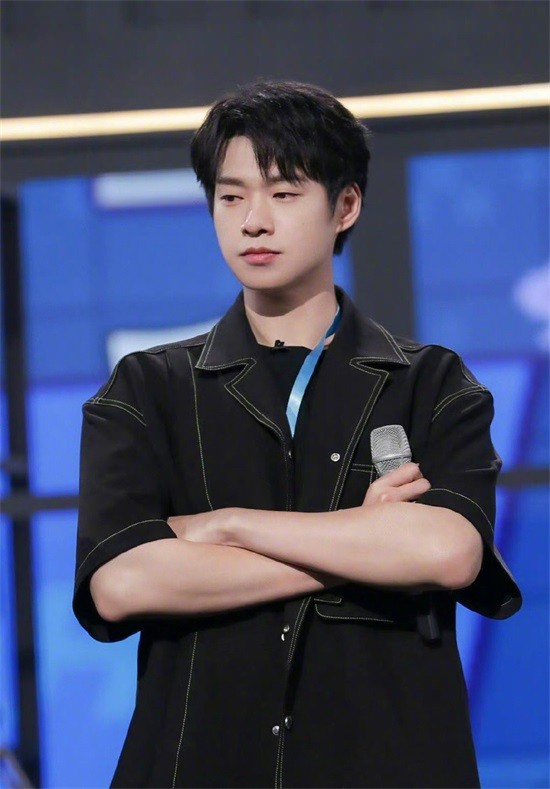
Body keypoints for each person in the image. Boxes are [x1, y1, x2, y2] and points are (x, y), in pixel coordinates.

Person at [73, 80, 521, 788]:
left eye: (284, 194)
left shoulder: (431, 381)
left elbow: (449, 551)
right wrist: (364, 544)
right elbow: (121, 582)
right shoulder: (148, 388)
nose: (254, 221)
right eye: (231, 197)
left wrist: (225, 526)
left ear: (346, 206)